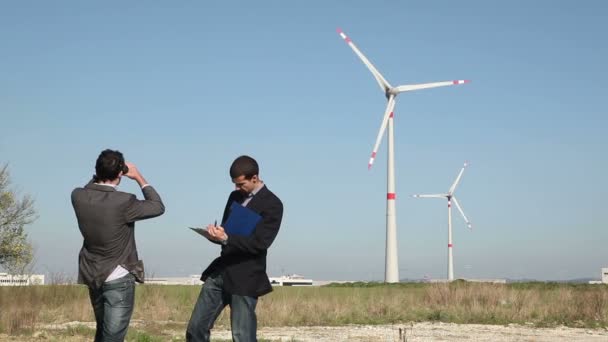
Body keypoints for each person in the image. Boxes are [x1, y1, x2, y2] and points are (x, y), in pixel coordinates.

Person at [187, 155, 284, 342]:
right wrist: (217, 235)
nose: (236, 189)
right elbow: (227, 233)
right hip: (221, 271)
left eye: (240, 184)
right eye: (234, 184)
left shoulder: (273, 204)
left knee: (242, 337)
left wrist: (227, 238)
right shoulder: (234, 197)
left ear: (254, 178)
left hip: (246, 277)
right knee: (196, 328)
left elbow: (260, 243)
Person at [71, 149, 165, 341]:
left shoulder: (78, 196)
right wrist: (138, 176)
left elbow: (91, 187)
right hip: (118, 276)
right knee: (112, 337)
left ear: (96, 170)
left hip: (92, 274)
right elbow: (157, 206)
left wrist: (102, 172)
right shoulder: (124, 202)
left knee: (102, 331)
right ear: (120, 173)